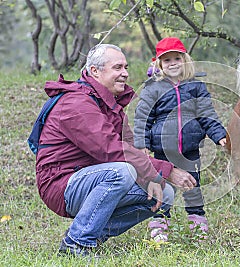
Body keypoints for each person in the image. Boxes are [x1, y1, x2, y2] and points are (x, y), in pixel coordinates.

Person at [35, 44, 197, 256]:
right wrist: (166, 170)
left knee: (164, 192)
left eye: (126, 67)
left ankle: (93, 236)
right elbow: (110, 150)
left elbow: (130, 146)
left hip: (93, 178)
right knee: (123, 171)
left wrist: (154, 177)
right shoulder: (76, 103)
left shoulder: (109, 104)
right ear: (95, 71)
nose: (125, 73)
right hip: (62, 184)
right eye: (118, 67)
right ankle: (76, 242)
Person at [133, 37, 226, 241]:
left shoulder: (195, 86)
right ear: (159, 64)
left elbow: (206, 113)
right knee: (162, 188)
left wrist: (219, 135)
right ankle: (159, 223)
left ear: (185, 61)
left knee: (193, 186)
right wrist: (142, 145)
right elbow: (143, 118)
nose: (173, 63)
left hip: (190, 148)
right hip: (163, 150)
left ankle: (197, 221)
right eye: (167, 61)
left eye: (177, 58)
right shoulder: (152, 88)